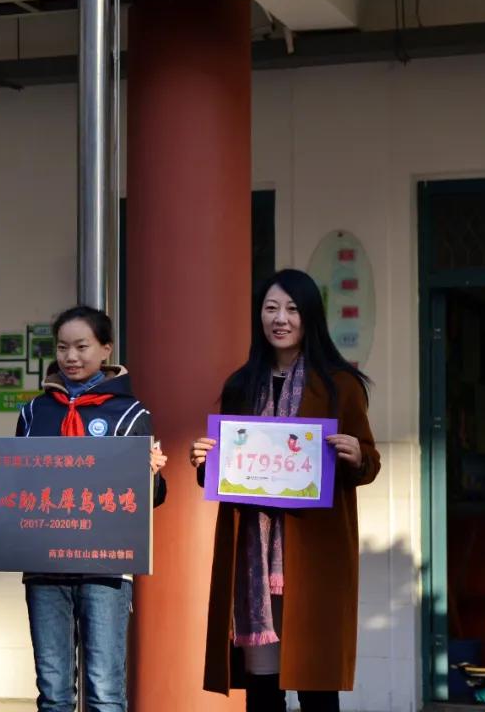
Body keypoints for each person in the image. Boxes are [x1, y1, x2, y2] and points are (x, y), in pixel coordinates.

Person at [0, 305, 168, 712]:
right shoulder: (34, 412)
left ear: (106, 349)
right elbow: (17, 484)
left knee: (105, 692)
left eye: (82, 346)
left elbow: (154, 497)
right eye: (62, 347)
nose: (71, 357)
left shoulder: (131, 414)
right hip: (44, 567)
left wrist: (151, 475)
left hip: (106, 567)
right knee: (53, 693)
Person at [189, 269, 380, 712]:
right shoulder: (241, 384)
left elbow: (368, 462)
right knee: (262, 686)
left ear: (309, 316)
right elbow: (226, 469)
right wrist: (205, 461)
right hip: (253, 556)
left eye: (292, 309)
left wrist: (358, 454)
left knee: (316, 685)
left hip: (313, 554)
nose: (281, 319)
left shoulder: (340, 384)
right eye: (271, 308)